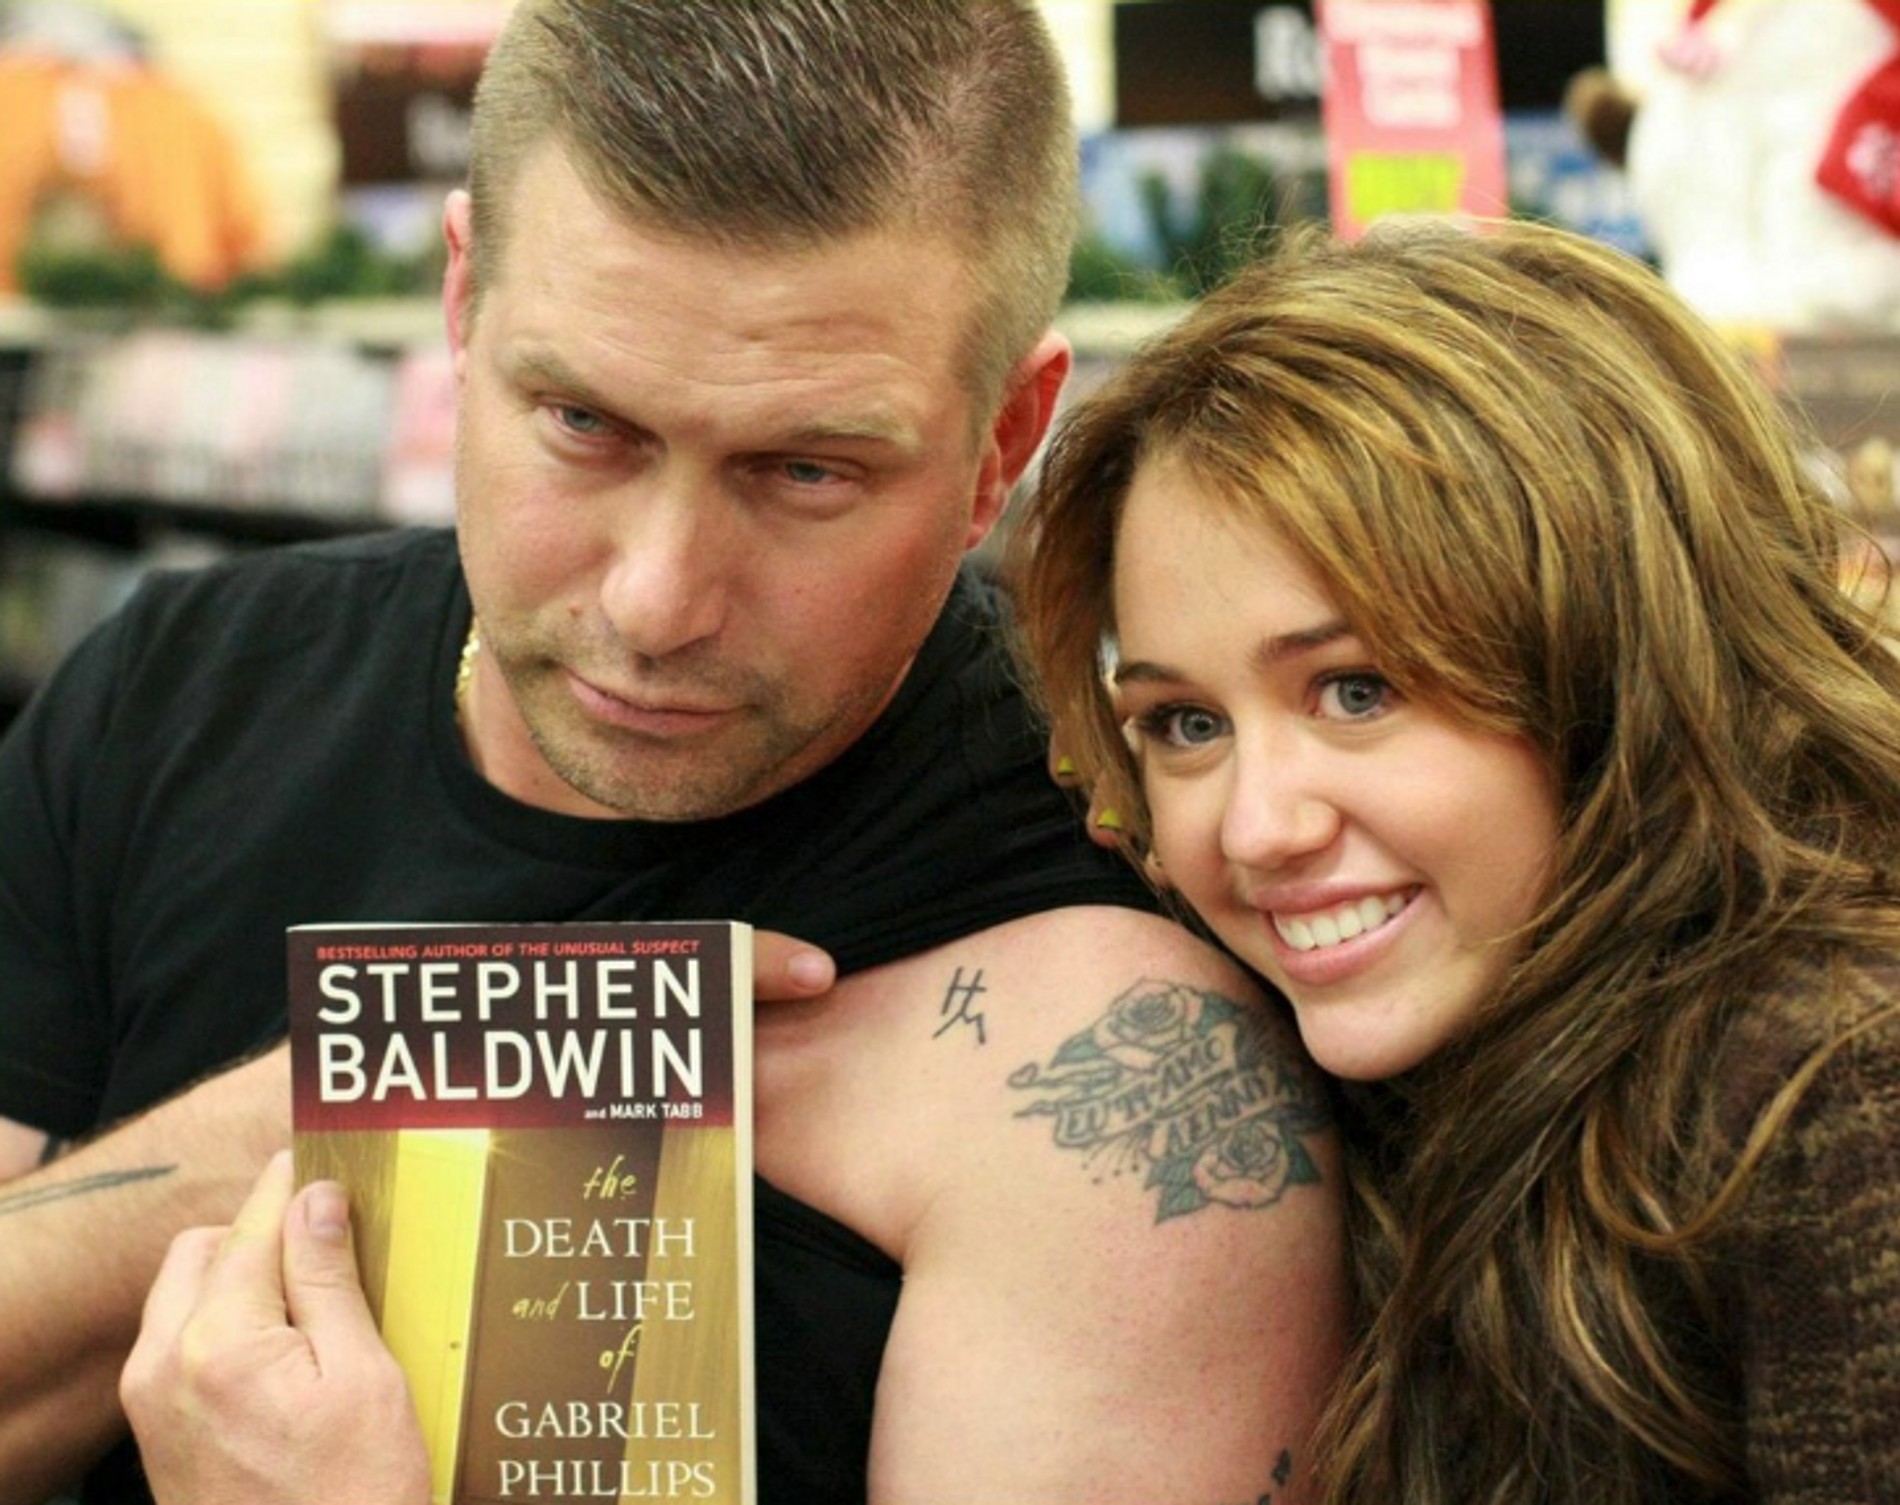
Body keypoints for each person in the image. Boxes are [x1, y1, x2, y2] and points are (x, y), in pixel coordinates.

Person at [0, 3, 1348, 1503]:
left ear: (1006, 439)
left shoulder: (1114, 986)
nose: (656, 602)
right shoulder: (180, 686)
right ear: (463, 300)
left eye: (807, 470)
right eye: (584, 422)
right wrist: (361, 1097)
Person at [1012, 215, 1900, 1504]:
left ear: (1618, 660)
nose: (1255, 829)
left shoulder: (1837, 1083)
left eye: (1357, 691)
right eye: (1187, 724)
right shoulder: (1344, 1056)